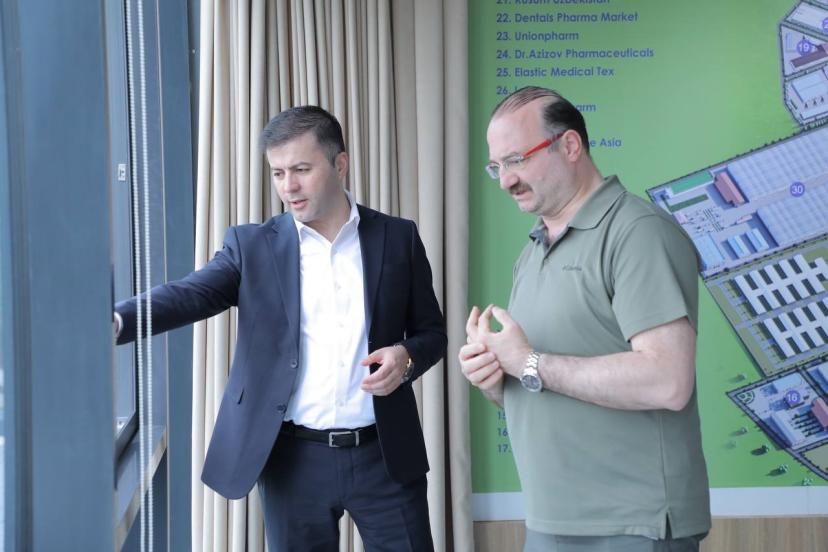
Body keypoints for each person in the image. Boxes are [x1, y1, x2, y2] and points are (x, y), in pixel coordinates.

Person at [115, 105, 445, 551]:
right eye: (277, 173)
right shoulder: (251, 246)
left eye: (302, 170)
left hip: (384, 456)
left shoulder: (398, 237)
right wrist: (115, 321)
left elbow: (432, 334)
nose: (288, 186)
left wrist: (406, 358)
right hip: (293, 462)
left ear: (340, 164)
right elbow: (191, 294)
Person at [459, 86, 711, 552]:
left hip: (632, 526)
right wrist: (496, 378)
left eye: (516, 160)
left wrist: (528, 362)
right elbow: (546, 387)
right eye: (496, 166)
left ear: (570, 145)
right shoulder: (532, 252)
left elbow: (668, 381)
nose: (505, 180)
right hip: (551, 521)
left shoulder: (638, 233)